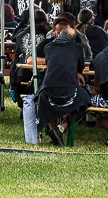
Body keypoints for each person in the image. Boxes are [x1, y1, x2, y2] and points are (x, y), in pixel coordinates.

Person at [36, 17, 91, 146]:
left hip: (48, 91)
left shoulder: (49, 46)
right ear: (73, 39)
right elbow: (81, 68)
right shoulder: (78, 47)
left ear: (58, 35)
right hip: (69, 90)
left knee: (46, 101)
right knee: (86, 100)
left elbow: (52, 63)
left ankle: (54, 130)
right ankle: (61, 128)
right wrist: (77, 72)